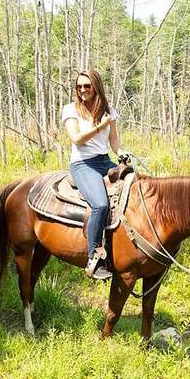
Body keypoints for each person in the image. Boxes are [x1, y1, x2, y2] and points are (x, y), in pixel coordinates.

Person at [62, 69, 129, 280]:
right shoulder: (70, 110)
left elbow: (114, 141)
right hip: (82, 164)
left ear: (96, 86)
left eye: (87, 86)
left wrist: (121, 152)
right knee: (100, 204)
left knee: (135, 185)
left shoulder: (110, 111)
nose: (82, 90)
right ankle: (94, 257)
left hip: (104, 161)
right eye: (79, 86)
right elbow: (77, 139)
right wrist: (100, 125)